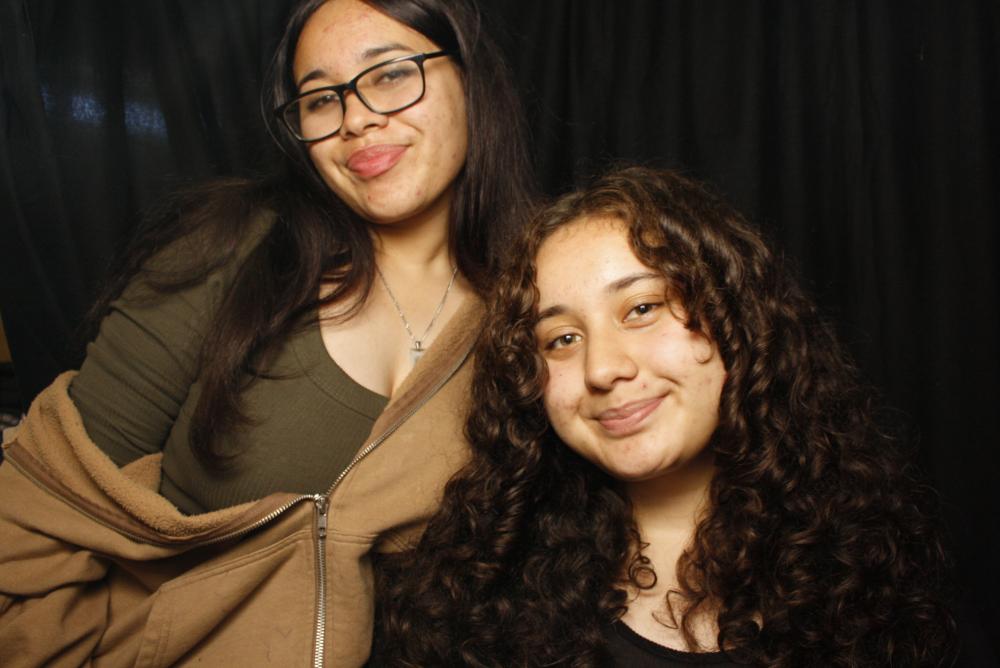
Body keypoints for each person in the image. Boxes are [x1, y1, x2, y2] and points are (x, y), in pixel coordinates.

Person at [0, 0, 532, 665]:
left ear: (472, 81)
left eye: (392, 74)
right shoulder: (227, 253)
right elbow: (39, 513)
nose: (356, 118)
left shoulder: (539, 304)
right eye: (321, 99)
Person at [375, 166, 958, 666]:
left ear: (735, 316)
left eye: (642, 308)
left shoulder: (881, 573)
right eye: (562, 339)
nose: (603, 368)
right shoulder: (474, 606)